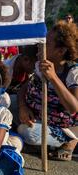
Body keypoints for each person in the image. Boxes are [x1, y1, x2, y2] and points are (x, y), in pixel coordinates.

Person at [18, 21, 78, 160]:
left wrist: (53, 78)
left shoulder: (72, 72)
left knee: (26, 131)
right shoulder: (40, 64)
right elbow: (24, 88)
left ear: (61, 51)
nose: (41, 45)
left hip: (60, 125)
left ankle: (69, 140)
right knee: (4, 105)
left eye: (47, 43)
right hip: (35, 114)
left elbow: (73, 107)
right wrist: (23, 107)